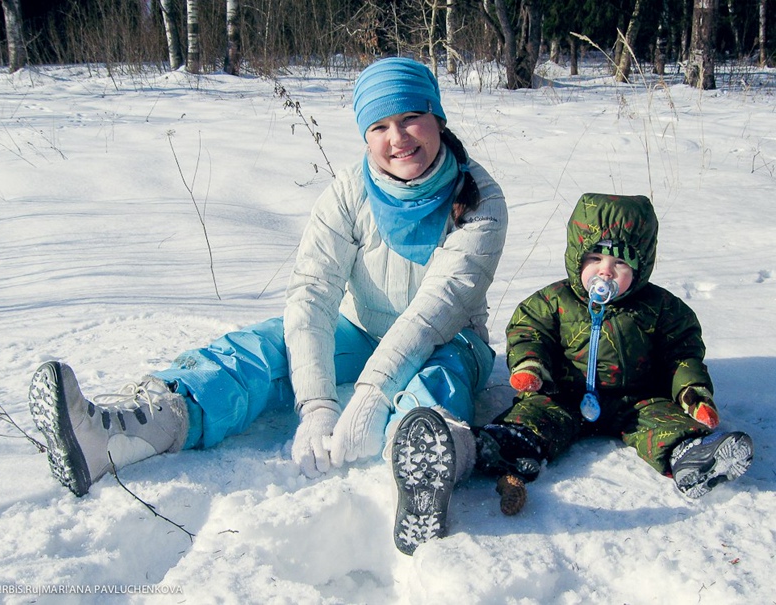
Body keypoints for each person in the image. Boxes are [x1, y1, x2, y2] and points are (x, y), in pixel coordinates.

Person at [27, 57, 508, 554]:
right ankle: (135, 430)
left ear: (437, 118)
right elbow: (313, 293)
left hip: (452, 341)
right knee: (262, 346)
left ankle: (426, 472)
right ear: (365, 136)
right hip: (365, 330)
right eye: (380, 125)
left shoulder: (481, 200)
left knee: (435, 385)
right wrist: (318, 404)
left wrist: (372, 395)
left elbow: (434, 313)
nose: (398, 138)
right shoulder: (349, 191)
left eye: (410, 117)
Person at [474, 192, 753, 503]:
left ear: (641, 266)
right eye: (595, 258)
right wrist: (531, 366)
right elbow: (529, 332)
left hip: (637, 398)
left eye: (620, 262)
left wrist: (692, 392)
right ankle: (505, 446)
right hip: (564, 393)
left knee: (663, 422)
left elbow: (682, 352)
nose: (605, 271)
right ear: (576, 257)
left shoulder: (659, 307)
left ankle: (693, 458)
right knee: (536, 415)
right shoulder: (554, 300)